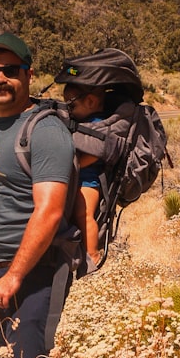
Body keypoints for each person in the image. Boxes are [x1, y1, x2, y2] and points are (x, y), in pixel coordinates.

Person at [0, 32, 76, 358]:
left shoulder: (44, 132)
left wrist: (15, 275)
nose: (0, 78)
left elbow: (50, 210)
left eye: (11, 70)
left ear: (29, 75)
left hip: (34, 273)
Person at [63, 83, 107, 269]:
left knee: (84, 215)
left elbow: (96, 152)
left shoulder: (98, 123)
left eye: (71, 105)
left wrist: (76, 165)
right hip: (77, 179)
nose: (68, 110)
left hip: (88, 181)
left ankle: (93, 254)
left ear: (90, 101)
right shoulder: (82, 122)